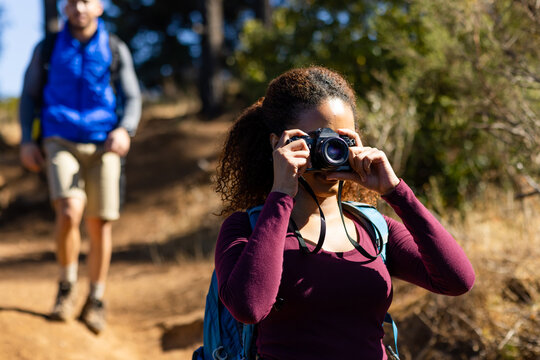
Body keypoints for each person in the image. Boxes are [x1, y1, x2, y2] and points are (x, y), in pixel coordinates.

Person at [213, 66, 475, 359]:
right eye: (314, 141)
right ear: (278, 145)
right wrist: (281, 194)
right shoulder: (246, 230)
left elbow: (457, 281)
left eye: (339, 141)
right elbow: (250, 307)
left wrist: (396, 191)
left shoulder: (373, 228)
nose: (330, 153)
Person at [18, 0, 141, 334]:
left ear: (99, 7)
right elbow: (29, 96)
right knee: (70, 211)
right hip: (59, 138)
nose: (78, 8)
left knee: (99, 224)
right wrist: (27, 140)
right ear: (64, 8)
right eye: (71, 2)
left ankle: (96, 298)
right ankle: (67, 286)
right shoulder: (47, 48)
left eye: (86, 1)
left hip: (105, 143)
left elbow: (131, 96)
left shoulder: (115, 48)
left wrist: (124, 129)